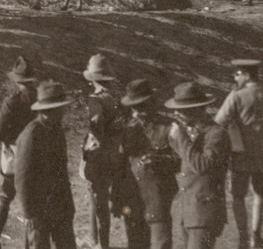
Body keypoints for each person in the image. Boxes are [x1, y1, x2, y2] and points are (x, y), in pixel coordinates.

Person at [0, 56, 39, 249]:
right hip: (36, 157)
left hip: (13, 156)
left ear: (17, 79)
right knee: (31, 205)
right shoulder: (41, 99)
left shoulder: (12, 102)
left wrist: (9, 141)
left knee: (4, 199)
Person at [167, 82, 230, 249]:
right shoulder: (192, 133)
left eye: (181, 110)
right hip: (188, 212)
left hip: (204, 212)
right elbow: (186, 161)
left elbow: (202, 166)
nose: (176, 114)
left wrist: (181, 138)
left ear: (196, 110)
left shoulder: (216, 134)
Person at [15, 80, 76, 249]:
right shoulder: (31, 135)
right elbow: (22, 178)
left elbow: (62, 171)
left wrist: (68, 205)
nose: (64, 111)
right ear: (49, 110)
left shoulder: (57, 129)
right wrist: (29, 214)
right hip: (38, 209)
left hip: (60, 205)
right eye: (60, 108)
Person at [120, 78, 179, 249]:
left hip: (158, 198)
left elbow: (182, 160)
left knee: (161, 243)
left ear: (152, 102)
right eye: (134, 107)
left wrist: (160, 161)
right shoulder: (127, 129)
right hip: (133, 198)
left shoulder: (168, 127)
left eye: (141, 106)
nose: (137, 111)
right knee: (135, 244)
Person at [214, 59, 263, 249]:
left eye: (237, 74)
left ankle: (243, 236)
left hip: (242, 155)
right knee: (260, 194)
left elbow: (219, 121)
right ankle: (256, 235)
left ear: (247, 75)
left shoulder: (237, 95)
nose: (235, 77)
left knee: (238, 196)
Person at [80, 53, 126, 249]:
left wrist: (93, 144)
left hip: (99, 157)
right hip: (115, 154)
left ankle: (101, 244)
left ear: (93, 79)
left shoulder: (96, 100)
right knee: (101, 198)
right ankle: (96, 239)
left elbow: (96, 127)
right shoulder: (116, 99)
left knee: (98, 200)